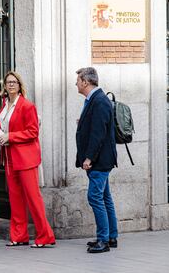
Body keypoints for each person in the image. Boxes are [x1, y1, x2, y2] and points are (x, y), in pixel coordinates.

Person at [0, 71, 55, 248]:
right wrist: (0, 135)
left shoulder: (27, 106)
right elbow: (5, 127)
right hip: (9, 157)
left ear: (20, 85)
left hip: (26, 158)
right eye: (8, 82)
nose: (11, 85)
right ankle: (19, 236)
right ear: (4, 86)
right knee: (15, 198)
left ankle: (44, 236)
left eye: (14, 82)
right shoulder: (5, 105)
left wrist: (10, 136)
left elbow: (33, 132)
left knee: (33, 198)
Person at [75, 67, 118, 253]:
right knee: (105, 197)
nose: (76, 83)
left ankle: (103, 240)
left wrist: (89, 158)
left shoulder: (99, 101)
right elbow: (95, 126)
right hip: (101, 159)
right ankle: (111, 236)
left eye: (78, 80)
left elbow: (98, 134)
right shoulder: (94, 99)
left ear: (86, 82)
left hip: (99, 160)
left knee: (94, 197)